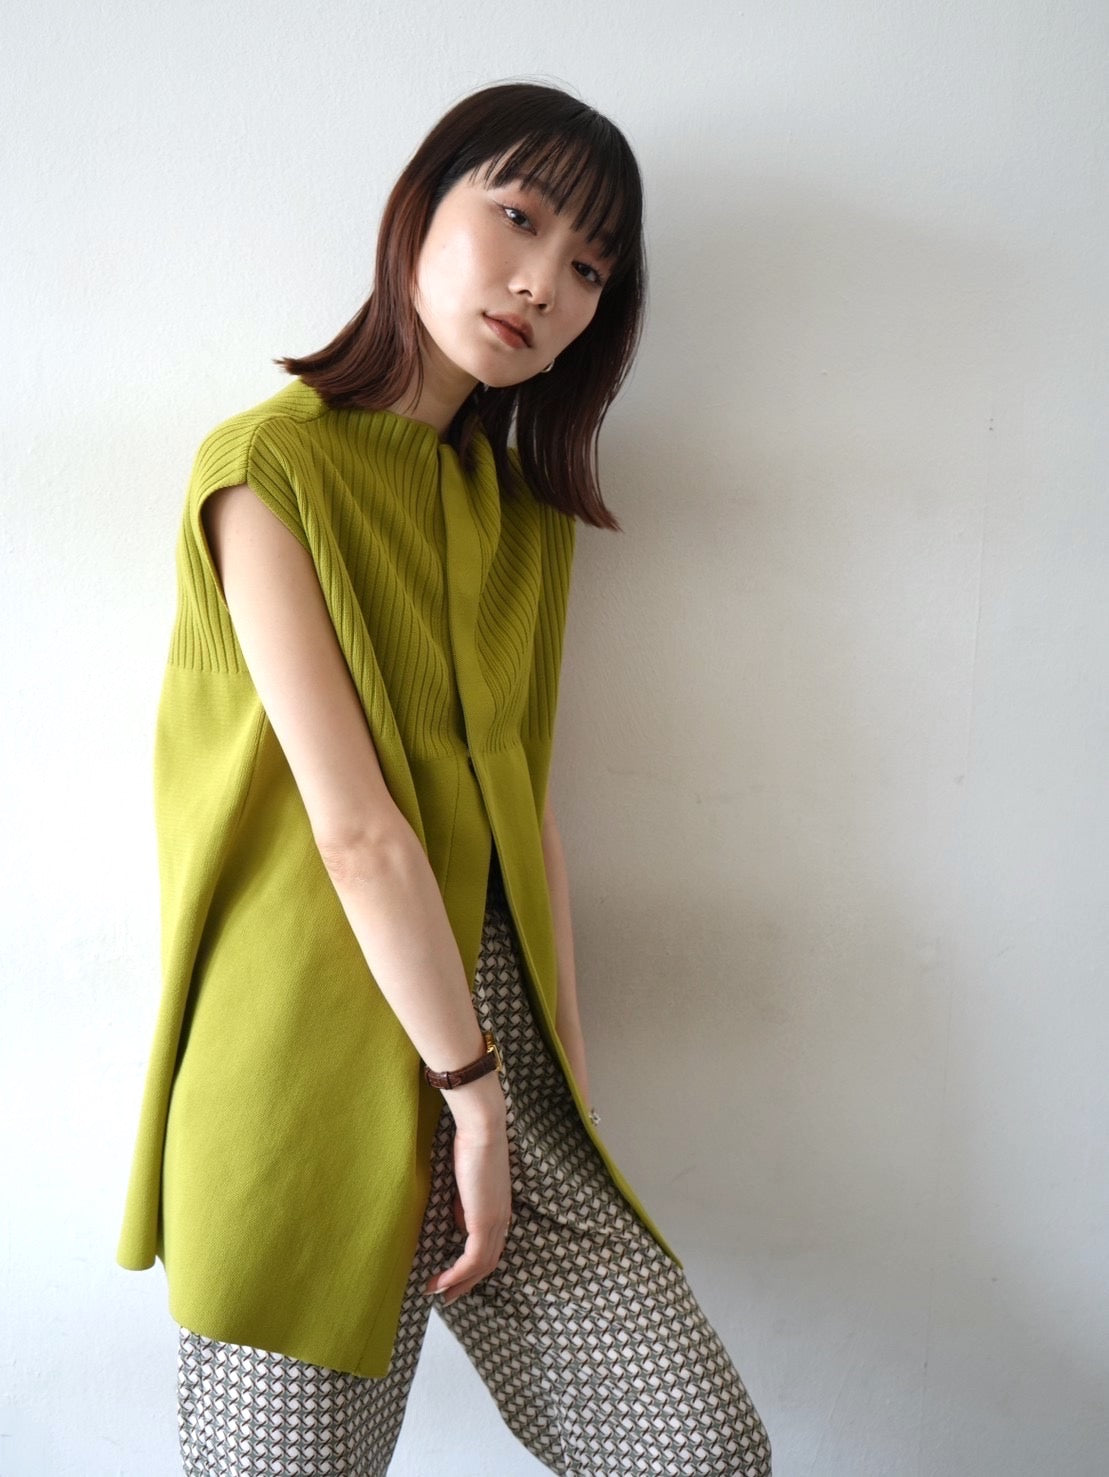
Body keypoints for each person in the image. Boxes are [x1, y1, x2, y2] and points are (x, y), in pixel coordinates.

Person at [117, 79, 772, 1476]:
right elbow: (356, 832)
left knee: (699, 1454)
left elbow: (526, 816)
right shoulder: (267, 467)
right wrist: (472, 1093)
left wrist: (554, 1088)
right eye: (519, 218)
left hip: (503, 1070)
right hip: (302, 1070)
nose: (543, 283)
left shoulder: (522, 518)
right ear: (418, 207)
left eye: (590, 268)